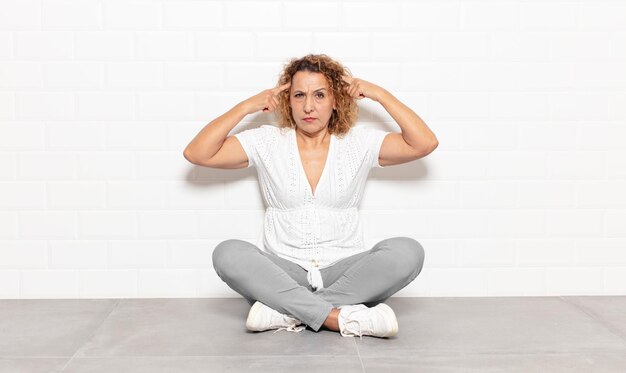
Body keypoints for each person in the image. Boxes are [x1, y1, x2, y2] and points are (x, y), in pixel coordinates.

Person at [183, 54, 438, 338]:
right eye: (299, 95)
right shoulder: (267, 141)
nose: (308, 106)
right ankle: (339, 317)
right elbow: (197, 153)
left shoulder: (359, 143)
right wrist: (247, 107)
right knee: (228, 253)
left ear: (336, 100)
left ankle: (287, 312)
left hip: (345, 271)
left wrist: (380, 95)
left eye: (319, 95)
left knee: (407, 252)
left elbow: (424, 143)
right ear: (287, 101)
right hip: (284, 272)